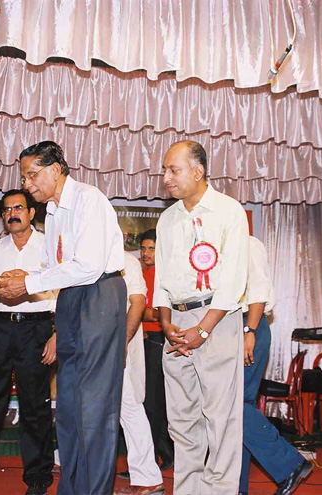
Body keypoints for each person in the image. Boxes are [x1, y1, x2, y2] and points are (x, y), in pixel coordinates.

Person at [0, 141, 127, 495]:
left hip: (100, 294)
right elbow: (55, 270)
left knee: (95, 410)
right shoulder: (52, 211)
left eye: (33, 175)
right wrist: (19, 278)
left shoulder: (88, 199)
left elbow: (87, 265)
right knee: (68, 410)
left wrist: (29, 283)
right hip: (70, 301)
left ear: (56, 170)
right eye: (24, 177)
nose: (27, 184)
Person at [153, 141, 249, 495]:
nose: (166, 178)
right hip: (176, 327)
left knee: (221, 419)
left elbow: (235, 280)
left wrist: (203, 330)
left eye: (173, 170)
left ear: (198, 171)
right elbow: (161, 280)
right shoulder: (168, 218)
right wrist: (166, 325)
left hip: (217, 321)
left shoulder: (229, 211)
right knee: (181, 421)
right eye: (165, 170)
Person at [0, 190, 57, 495]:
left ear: (31, 213)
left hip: (38, 330)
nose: (12, 213)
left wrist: (56, 335)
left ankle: (38, 476)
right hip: (0, 330)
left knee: (35, 406)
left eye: (19, 208)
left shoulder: (49, 247)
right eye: (7, 210)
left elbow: (63, 293)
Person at [239, 236, 312, 495]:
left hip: (249, 325)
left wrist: (250, 330)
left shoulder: (247, 244)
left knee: (233, 406)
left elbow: (258, 289)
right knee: (234, 410)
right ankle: (237, 487)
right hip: (234, 327)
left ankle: (289, 463)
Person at [115, 251, 165, 495]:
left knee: (130, 406)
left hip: (120, 346)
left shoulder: (127, 261)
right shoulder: (84, 253)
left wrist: (122, 341)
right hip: (88, 347)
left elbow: (138, 302)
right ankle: (147, 477)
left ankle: (148, 478)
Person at [139, 229, 174, 471]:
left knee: (153, 402)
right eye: (143, 248)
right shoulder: (139, 272)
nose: (146, 253)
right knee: (145, 402)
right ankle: (162, 455)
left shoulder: (164, 275)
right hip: (139, 341)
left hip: (156, 341)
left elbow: (160, 314)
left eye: (151, 248)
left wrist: (144, 312)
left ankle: (152, 461)